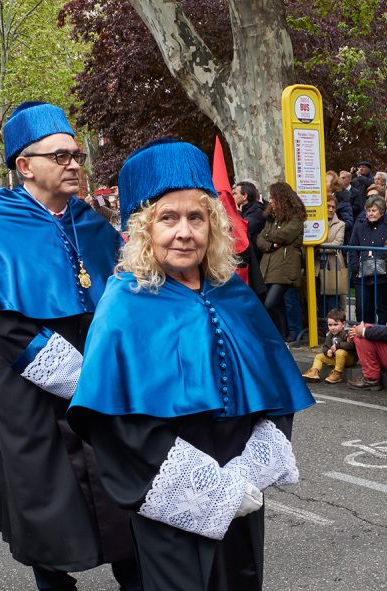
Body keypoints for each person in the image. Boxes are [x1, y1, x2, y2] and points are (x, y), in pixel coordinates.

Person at [65, 139, 315, 590]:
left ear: (212, 226)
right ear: (143, 229)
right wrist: (211, 490)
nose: (185, 232)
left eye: (196, 217)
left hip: (243, 490)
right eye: (168, 218)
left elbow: (277, 394)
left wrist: (243, 476)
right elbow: (118, 426)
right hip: (173, 500)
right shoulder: (124, 303)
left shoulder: (233, 294)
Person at [0, 101, 139, 590]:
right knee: (48, 510)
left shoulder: (91, 222)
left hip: (101, 390)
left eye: (76, 154)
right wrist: (87, 380)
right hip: (31, 392)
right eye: (61, 155)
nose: (74, 163)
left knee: (125, 509)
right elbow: (4, 328)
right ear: (25, 165)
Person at [256, 182, 305, 338]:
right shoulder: (272, 218)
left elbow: (285, 235)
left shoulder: (296, 217)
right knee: (274, 304)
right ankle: (282, 335)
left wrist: (268, 237)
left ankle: (287, 333)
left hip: (285, 266)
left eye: (273, 198)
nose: (271, 201)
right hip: (270, 265)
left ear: (282, 198)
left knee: (271, 303)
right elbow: (259, 241)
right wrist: (271, 243)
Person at [347, 273, 387, 391]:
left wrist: (364, 331)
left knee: (362, 335)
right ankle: (371, 376)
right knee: (363, 329)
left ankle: (371, 378)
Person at [348, 195, 387, 325]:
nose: (370, 213)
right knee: (362, 307)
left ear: (382, 211)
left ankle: (380, 332)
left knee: (381, 306)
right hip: (361, 274)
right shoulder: (360, 224)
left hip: (382, 274)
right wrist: (355, 266)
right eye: (368, 210)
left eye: (374, 210)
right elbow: (353, 247)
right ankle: (364, 333)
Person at [301, 308, 356, 384]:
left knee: (340, 352)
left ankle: (337, 374)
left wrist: (337, 345)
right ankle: (314, 372)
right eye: (330, 325)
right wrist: (327, 351)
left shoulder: (346, 333)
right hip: (336, 359)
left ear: (343, 324)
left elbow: (351, 345)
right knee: (319, 356)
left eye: (335, 324)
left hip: (348, 359)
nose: (332, 328)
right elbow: (325, 346)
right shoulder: (329, 335)